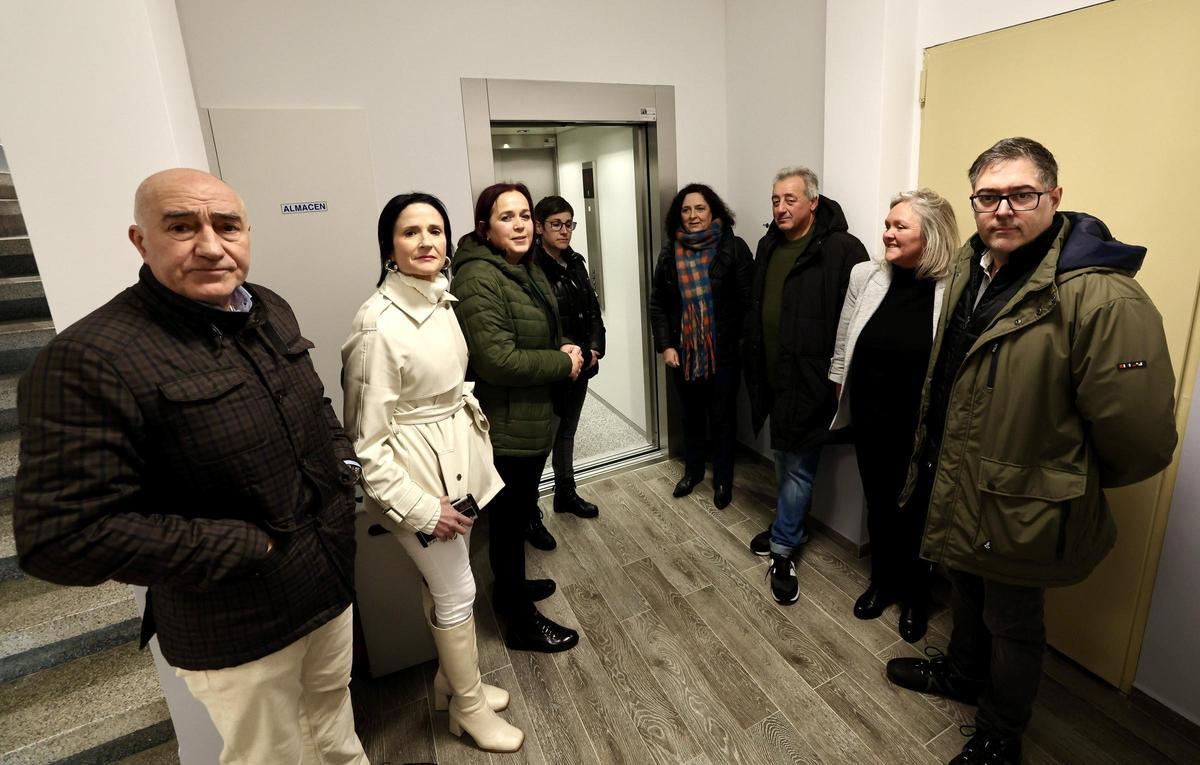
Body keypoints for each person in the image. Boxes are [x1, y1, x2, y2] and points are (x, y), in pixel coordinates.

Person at [13, 168, 368, 765]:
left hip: (325, 581)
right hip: (236, 621)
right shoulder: (90, 359)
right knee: (273, 755)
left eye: (227, 226)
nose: (210, 245)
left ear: (247, 233)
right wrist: (244, 550)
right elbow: (61, 537)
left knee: (334, 723)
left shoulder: (270, 307)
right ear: (140, 240)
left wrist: (344, 467)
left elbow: (316, 405)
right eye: (182, 226)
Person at [885, 138, 1177, 765]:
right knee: (963, 588)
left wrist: (1062, 478)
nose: (1004, 210)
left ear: (1054, 198)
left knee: (1013, 623)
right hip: (959, 474)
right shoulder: (971, 263)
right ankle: (962, 676)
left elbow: (1140, 435)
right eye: (989, 197)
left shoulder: (1101, 297)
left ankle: (1000, 732)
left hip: (1025, 501)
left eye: (1022, 194)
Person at [341, 192, 523, 752]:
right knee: (458, 589)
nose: (426, 242)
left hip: (453, 467)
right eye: (410, 232)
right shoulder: (378, 324)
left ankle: (451, 683)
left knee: (445, 581)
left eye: (435, 231)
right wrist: (422, 509)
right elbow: (365, 444)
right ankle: (467, 707)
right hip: (416, 480)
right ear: (389, 247)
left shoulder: (439, 300)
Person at [451, 182, 582, 653]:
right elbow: (497, 360)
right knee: (506, 527)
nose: (521, 224)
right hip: (506, 427)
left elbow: (536, 328)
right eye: (507, 217)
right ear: (485, 227)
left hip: (529, 418)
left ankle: (514, 588)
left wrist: (560, 343)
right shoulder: (477, 278)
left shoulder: (519, 267)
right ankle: (519, 623)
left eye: (525, 214)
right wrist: (562, 363)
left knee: (518, 515)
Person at [828, 189, 958, 643]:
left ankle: (916, 594)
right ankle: (882, 582)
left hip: (921, 422)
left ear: (933, 235)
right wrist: (839, 384)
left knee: (919, 510)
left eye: (900, 226)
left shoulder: (955, 287)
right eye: (887, 224)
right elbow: (845, 338)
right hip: (870, 414)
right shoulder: (867, 275)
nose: (887, 233)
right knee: (879, 501)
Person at [743, 167, 868, 605]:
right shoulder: (767, 244)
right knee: (784, 455)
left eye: (790, 200)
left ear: (813, 202)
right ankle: (787, 526)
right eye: (775, 199)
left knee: (797, 464)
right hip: (773, 374)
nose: (780, 208)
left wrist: (839, 378)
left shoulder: (842, 249)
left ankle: (782, 550)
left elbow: (856, 320)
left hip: (812, 379)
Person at [649, 183, 752, 510]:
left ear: (714, 212)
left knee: (722, 418)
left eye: (699, 209)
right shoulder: (669, 252)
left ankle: (722, 479)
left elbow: (748, 302)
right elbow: (658, 305)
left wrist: (739, 344)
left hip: (723, 353)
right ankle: (693, 472)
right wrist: (666, 345)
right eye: (686, 210)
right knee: (691, 416)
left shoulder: (734, 248)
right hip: (683, 352)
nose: (692, 216)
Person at [534, 195, 606, 528]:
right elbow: (539, 324)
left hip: (581, 365)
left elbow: (592, 309)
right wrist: (566, 353)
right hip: (551, 368)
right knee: (540, 442)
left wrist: (593, 347)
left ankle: (566, 492)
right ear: (539, 227)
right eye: (556, 224)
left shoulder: (575, 262)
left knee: (567, 433)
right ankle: (528, 511)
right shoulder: (531, 268)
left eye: (569, 223)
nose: (565, 231)